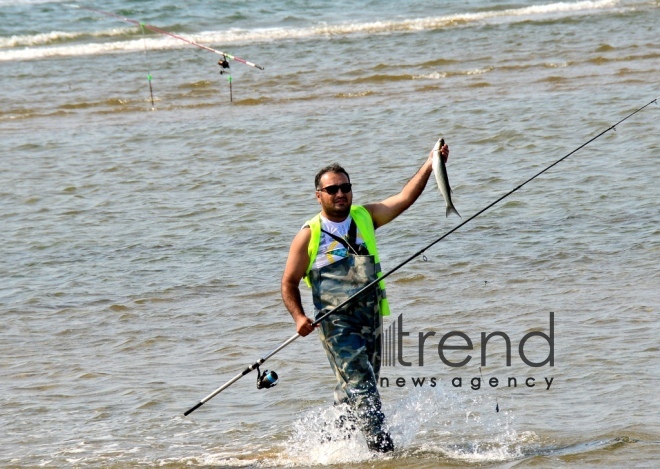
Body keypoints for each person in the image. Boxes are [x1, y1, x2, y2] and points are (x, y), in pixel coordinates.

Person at [281, 142, 450, 452]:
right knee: (363, 383)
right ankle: (381, 449)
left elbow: (403, 199)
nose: (340, 193)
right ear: (319, 195)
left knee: (355, 387)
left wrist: (430, 164)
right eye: (332, 189)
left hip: (370, 320)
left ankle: (333, 446)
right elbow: (288, 283)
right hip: (337, 326)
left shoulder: (364, 216)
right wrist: (299, 318)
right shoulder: (309, 233)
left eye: (345, 187)